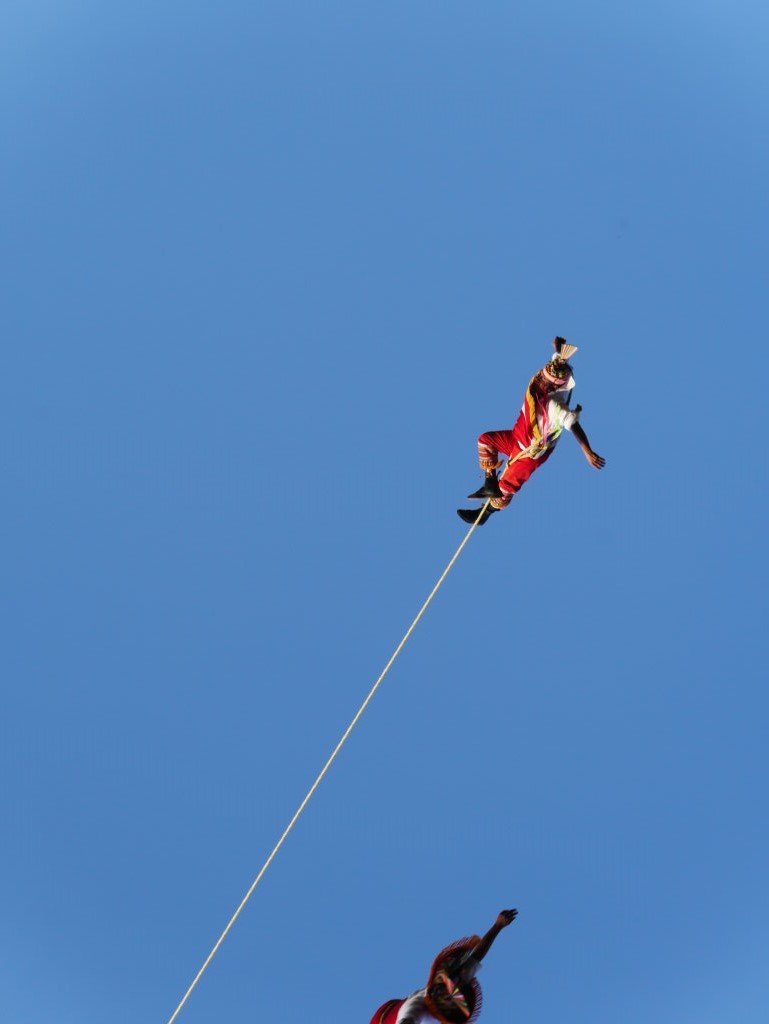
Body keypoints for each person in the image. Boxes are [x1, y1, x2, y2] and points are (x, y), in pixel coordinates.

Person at [457, 338, 605, 526]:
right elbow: (558, 363)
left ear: (553, 385)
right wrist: (559, 350)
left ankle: (485, 514)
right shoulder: (547, 382)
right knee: (485, 440)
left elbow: (573, 424)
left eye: (546, 380)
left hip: (530, 451)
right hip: (517, 436)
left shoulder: (555, 405)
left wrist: (587, 451)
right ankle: (489, 483)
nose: (542, 379)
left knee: (506, 486)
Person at [369, 908, 518, 1024]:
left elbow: (477, 955)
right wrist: (497, 926)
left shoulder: (455, 986)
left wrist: (497, 926)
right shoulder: (414, 1008)